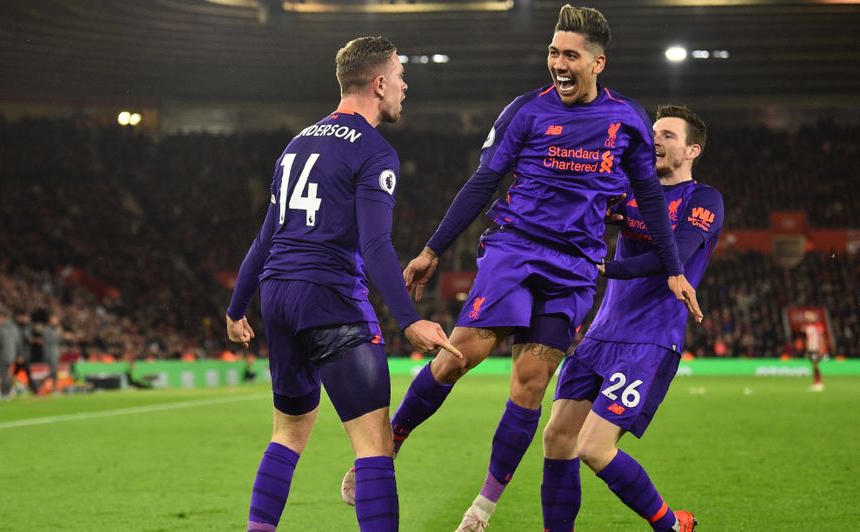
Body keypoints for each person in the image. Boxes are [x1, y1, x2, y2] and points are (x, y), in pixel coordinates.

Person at [341, 5, 703, 530]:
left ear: (598, 63)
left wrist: (672, 268)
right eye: (553, 51)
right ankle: (392, 439)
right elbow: (482, 182)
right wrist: (434, 248)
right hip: (516, 249)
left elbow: (649, 194)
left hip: (577, 267)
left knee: (531, 381)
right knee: (459, 356)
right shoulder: (524, 112)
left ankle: (482, 508)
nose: (558, 61)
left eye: (570, 54)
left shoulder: (627, 120)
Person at [225, 36, 461, 532]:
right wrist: (411, 320)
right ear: (378, 84)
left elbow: (265, 237)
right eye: (398, 75)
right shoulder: (376, 153)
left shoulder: (295, 144)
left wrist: (235, 307)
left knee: (287, 435)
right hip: (330, 296)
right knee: (374, 445)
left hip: (278, 297)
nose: (404, 85)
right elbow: (376, 248)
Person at [541, 104, 722, 532]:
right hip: (600, 336)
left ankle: (671, 526)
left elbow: (673, 254)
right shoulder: (629, 188)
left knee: (593, 448)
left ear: (692, 150)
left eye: (669, 136)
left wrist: (605, 267)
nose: (656, 140)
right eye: (654, 133)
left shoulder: (704, 199)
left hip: (649, 340)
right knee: (556, 439)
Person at [803, 313, 825, 391]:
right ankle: (816, 382)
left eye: (810, 317)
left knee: (816, 365)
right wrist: (807, 350)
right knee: (813, 365)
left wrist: (822, 349)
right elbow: (807, 340)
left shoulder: (818, 326)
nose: (808, 319)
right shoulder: (808, 328)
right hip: (811, 349)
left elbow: (821, 338)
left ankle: (819, 383)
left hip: (816, 349)